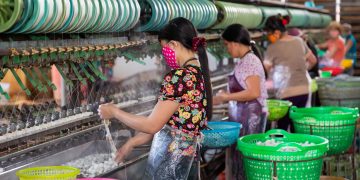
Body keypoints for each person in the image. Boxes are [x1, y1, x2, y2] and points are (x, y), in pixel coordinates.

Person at [98, 17, 212, 180]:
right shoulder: (198, 73)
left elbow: (152, 125)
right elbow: (171, 124)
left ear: (174, 44)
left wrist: (114, 112)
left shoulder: (179, 77)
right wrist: (131, 143)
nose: (164, 55)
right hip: (187, 161)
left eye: (164, 49)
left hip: (170, 163)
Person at [212, 24, 268, 180]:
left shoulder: (249, 61)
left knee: (247, 162)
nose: (227, 49)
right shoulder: (245, 60)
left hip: (251, 119)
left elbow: (253, 92)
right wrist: (215, 100)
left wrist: (226, 97)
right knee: (243, 162)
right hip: (246, 118)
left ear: (235, 43)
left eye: (226, 44)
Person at [263, 15, 317, 132]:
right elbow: (313, 60)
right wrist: (301, 70)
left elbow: (264, 71)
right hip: (304, 90)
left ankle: (284, 149)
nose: (269, 37)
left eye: (269, 33)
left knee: (282, 127)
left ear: (277, 32)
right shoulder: (299, 41)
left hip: (286, 93)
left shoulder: (273, 47)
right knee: (297, 126)